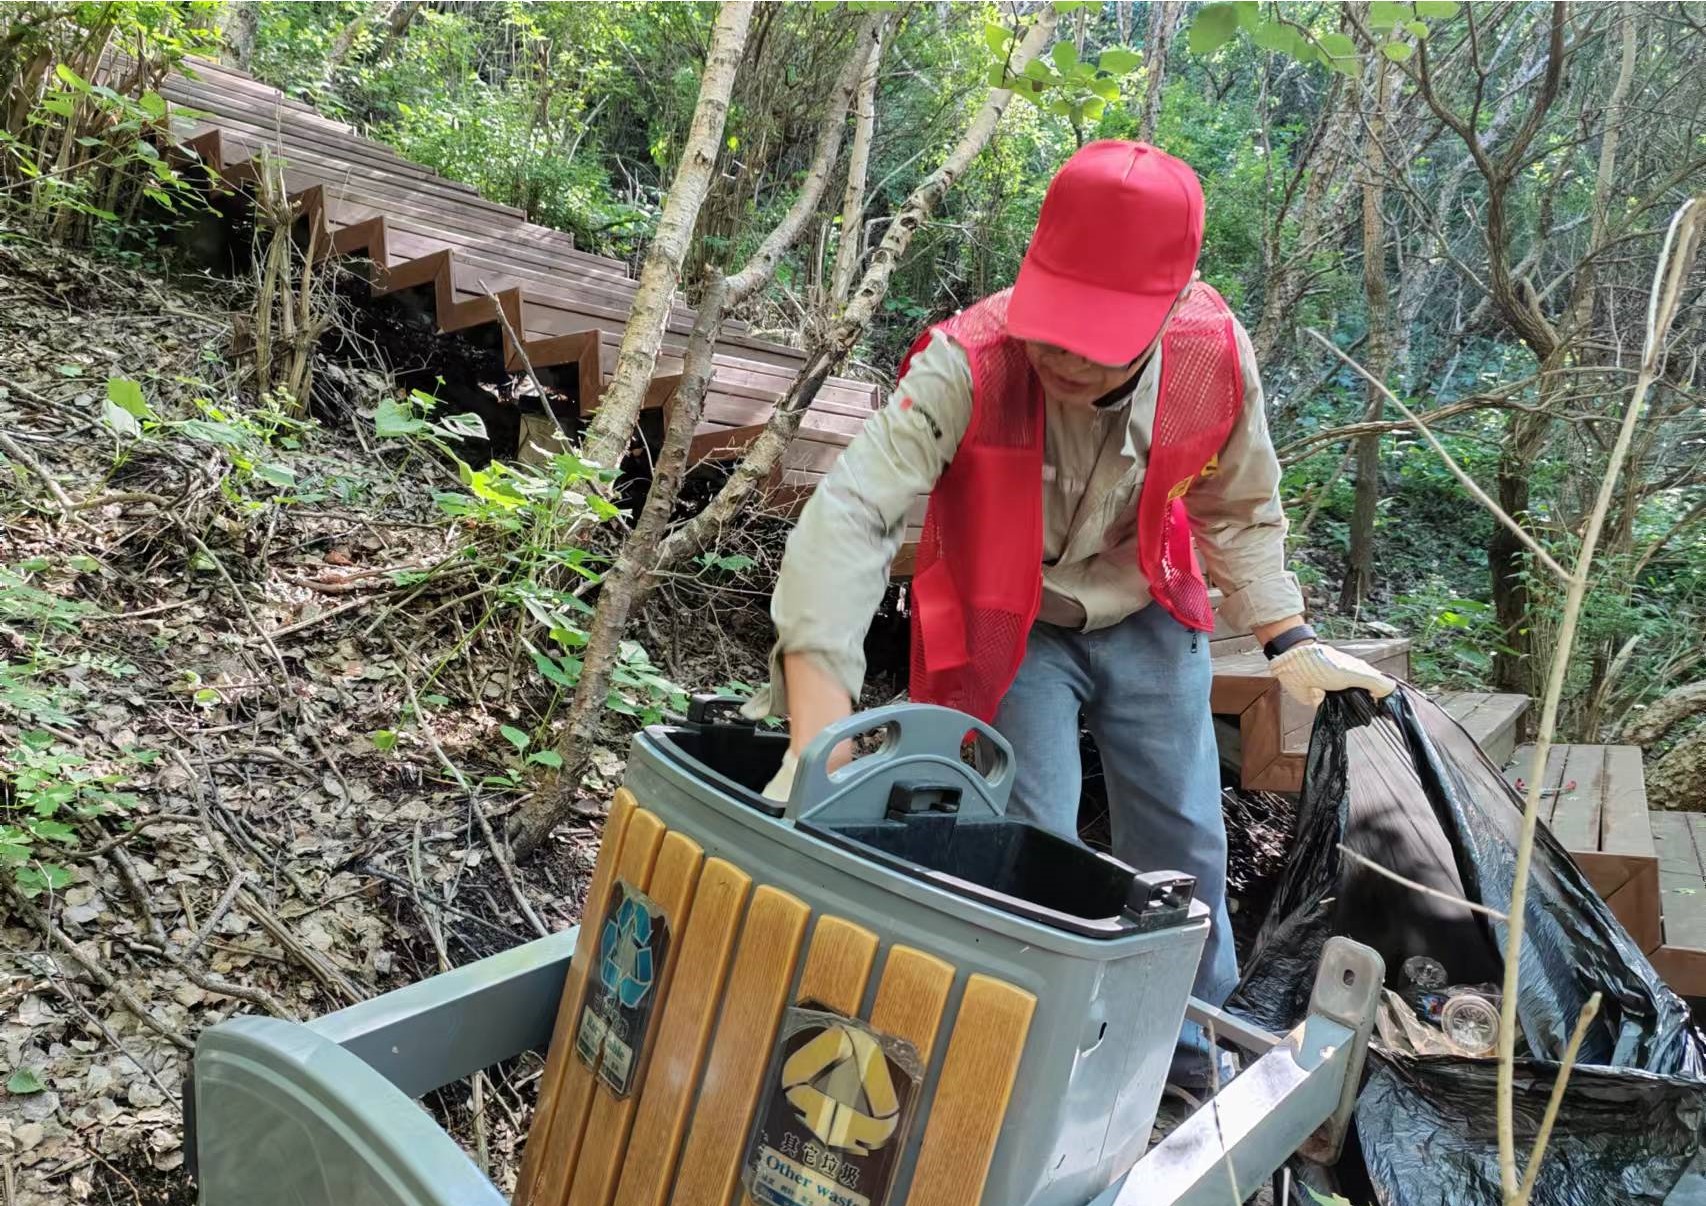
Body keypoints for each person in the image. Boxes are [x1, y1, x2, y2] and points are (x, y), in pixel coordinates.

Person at [748, 140, 1394, 1091]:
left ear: (1167, 308)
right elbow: (852, 515)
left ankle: (1190, 1061)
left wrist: (1284, 633)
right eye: (1056, 325)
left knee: (1183, 841)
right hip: (1012, 621)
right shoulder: (970, 360)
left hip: (1148, 606)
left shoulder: (1212, 356)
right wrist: (817, 737)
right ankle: (1023, 1066)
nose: (1064, 355)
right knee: (1030, 842)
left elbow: (1239, 508)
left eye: (1098, 337)